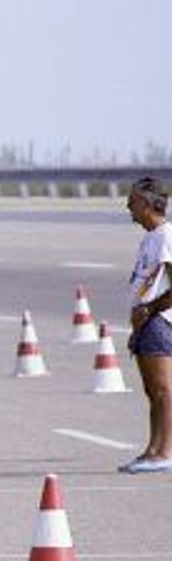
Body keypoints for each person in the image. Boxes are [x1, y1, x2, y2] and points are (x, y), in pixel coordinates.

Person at [122, 174, 172, 474]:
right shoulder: (150, 238)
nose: (128, 204)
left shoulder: (166, 237)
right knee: (152, 391)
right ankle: (152, 450)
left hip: (159, 321)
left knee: (164, 390)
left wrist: (149, 310)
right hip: (145, 322)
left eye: (133, 200)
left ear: (148, 203)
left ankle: (166, 452)